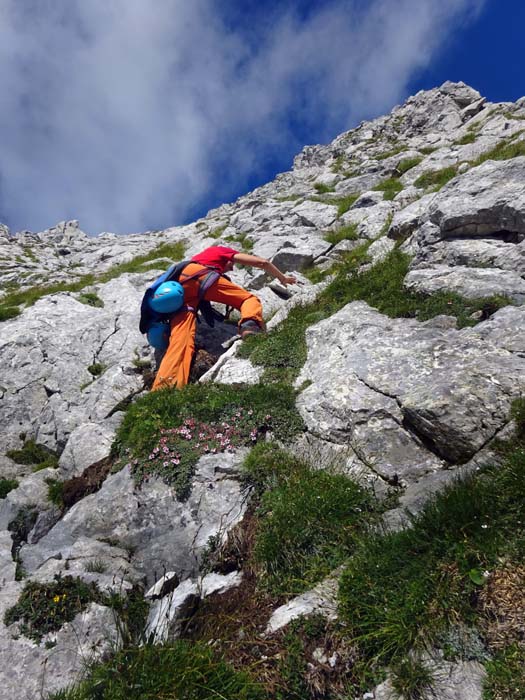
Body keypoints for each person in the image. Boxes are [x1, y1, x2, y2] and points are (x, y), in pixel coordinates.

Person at [151, 245, 298, 391]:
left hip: (181, 287)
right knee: (248, 299)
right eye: (231, 263)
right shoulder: (220, 250)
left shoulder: (196, 259)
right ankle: (250, 326)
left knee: (181, 339)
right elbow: (262, 263)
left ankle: (165, 387)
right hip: (201, 276)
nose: (232, 268)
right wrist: (282, 278)